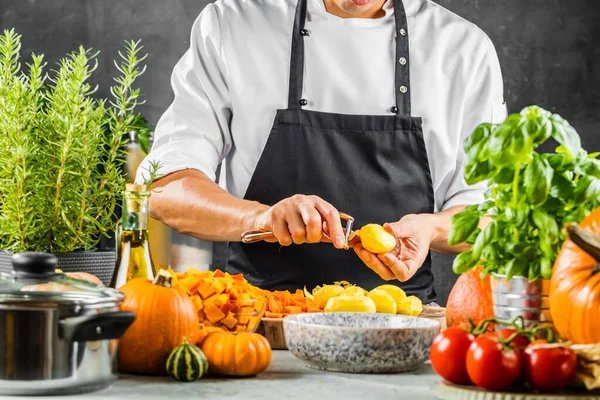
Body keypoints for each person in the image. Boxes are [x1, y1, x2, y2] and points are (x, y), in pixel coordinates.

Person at [136, 0, 506, 304]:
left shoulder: (462, 49)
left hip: (403, 324)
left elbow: (492, 215)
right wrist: (262, 220)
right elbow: (163, 187)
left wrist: (432, 228)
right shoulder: (232, 25)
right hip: (257, 322)